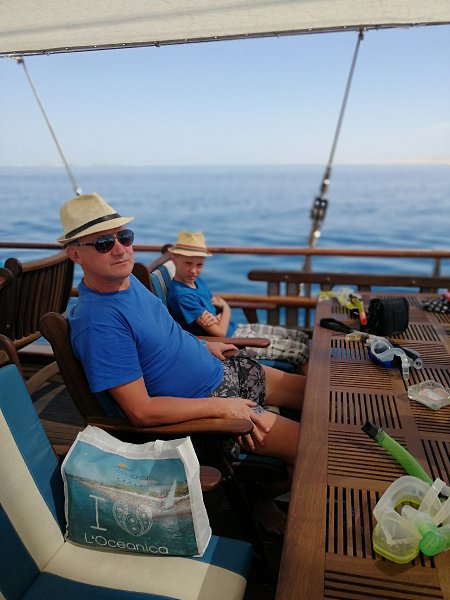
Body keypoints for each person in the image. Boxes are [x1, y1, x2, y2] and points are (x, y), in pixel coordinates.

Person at [60, 193, 305, 534]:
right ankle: (266, 503)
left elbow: (166, 333)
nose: (120, 249)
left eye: (124, 237)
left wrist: (203, 345)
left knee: (316, 394)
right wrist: (223, 408)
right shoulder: (100, 323)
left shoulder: (129, 284)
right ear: (75, 254)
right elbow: (141, 412)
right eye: (103, 243)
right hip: (210, 409)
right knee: (312, 447)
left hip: (225, 371)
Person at [167, 230, 309, 370]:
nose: (193, 271)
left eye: (199, 265)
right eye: (188, 263)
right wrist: (226, 309)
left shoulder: (196, 282)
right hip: (232, 341)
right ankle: (304, 384)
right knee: (301, 352)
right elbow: (220, 333)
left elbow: (214, 305)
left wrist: (219, 317)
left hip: (236, 328)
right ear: (174, 258)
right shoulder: (182, 296)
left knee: (299, 336)